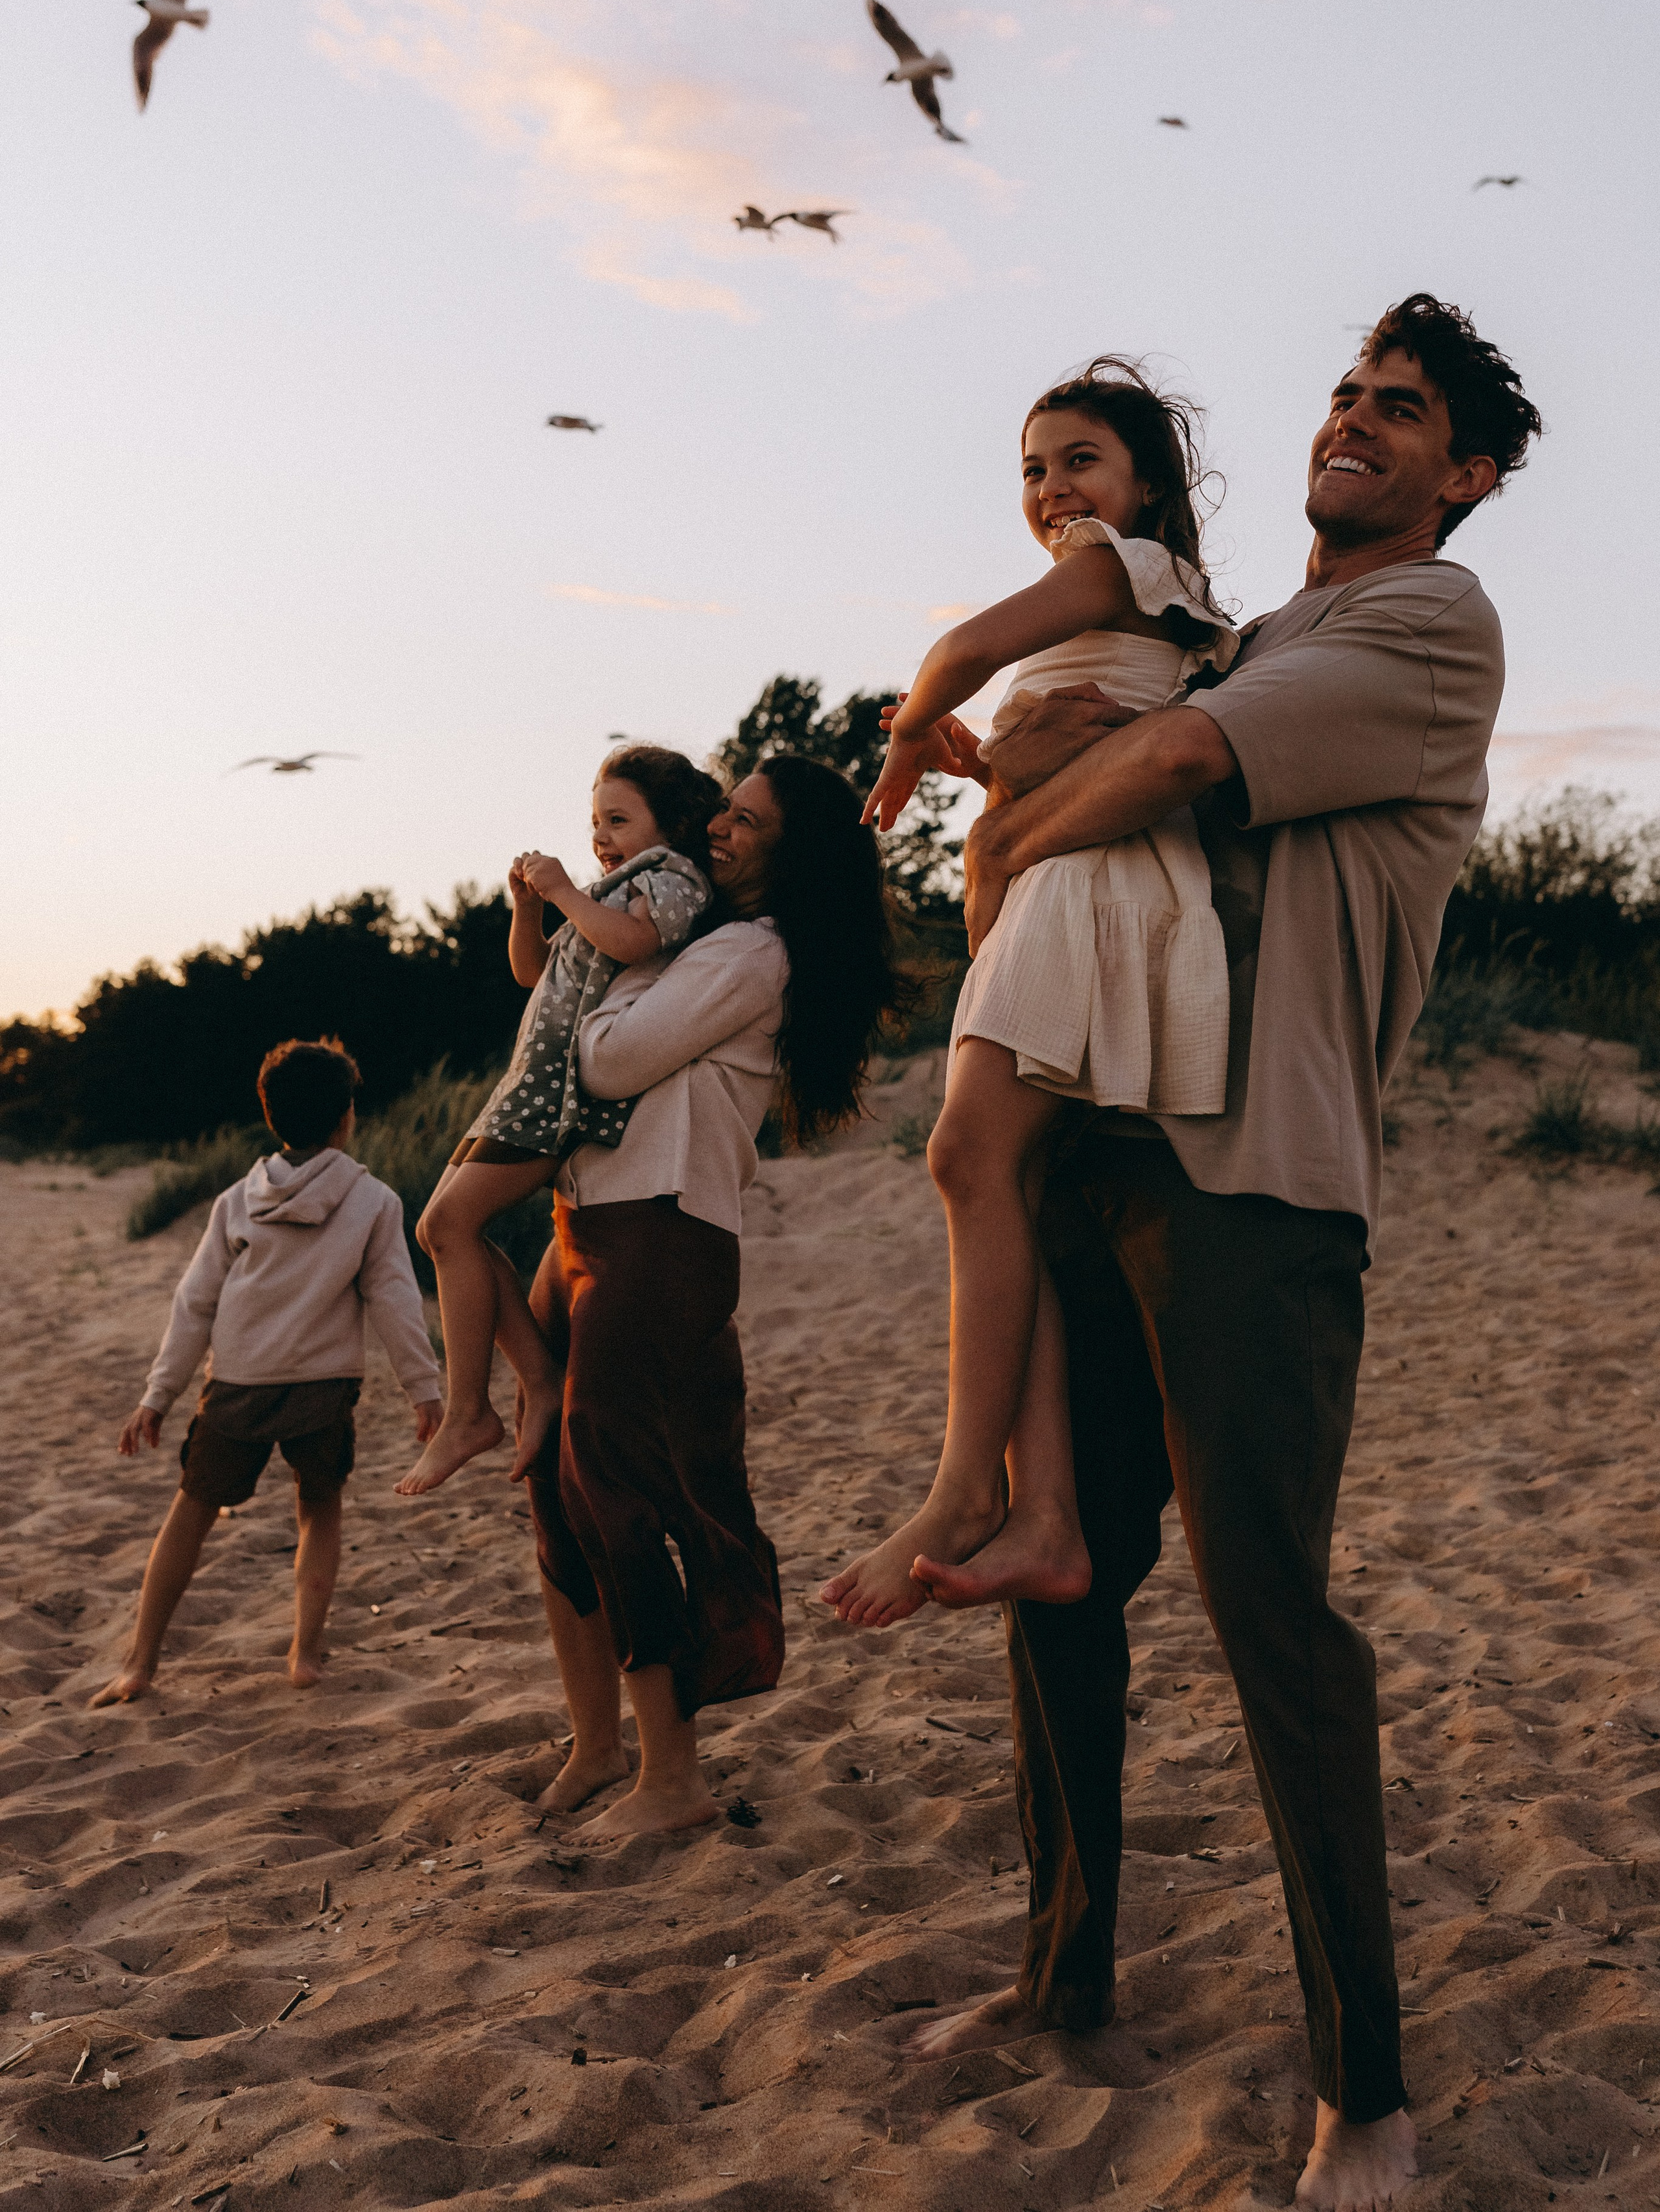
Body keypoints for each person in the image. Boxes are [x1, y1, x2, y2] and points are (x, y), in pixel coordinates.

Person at [895, 296, 1541, 2212]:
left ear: (1468, 471)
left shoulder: (1423, 627)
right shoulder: (1247, 632)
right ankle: (1061, 1975)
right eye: (1344, 393)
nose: (1353, 420)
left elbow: (1173, 772)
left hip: (1261, 1183)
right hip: (1107, 1152)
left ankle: (1369, 2102)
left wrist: (1028, 803)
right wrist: (1034, 772)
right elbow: (1101, 776)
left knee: (1274, 1622)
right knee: (1058, 1570)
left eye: (1399, 408)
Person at [824, 361, 1239, 1629]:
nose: (1051, 488)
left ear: (1144, 485)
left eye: (1077, 459)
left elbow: (960, 647)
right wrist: (971, 762)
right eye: (1031, 467)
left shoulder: (1120, 563)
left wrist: (904, 732)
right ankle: (1041, 1512)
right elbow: (1061, 728)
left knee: (963, 1158)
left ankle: (961, 1495)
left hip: (1086, 890)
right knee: (1015, 1191)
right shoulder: (1107, 603)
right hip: (1048, 888)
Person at [521, 757, 917, 1841]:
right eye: (725, 810)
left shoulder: (752, 952)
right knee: (551, 1476)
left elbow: (607, 1058)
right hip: (596, 1215)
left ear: (794, 852)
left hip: (662, 1222)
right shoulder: (696, 936)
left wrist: (593, 983)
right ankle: (600, 1744)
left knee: (618, 1481)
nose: (721, 828)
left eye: (747, 819)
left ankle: (672, 1776)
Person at [398, 746, 719, 1498]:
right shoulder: (609, 889)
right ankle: (535, 1382)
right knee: (441, 1230)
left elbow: (637, 943)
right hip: (524, 1088)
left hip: (560, 1095)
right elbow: (530, 971)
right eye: (595, 821)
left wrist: (570, 890)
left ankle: (472, 1412)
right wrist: (528, 907)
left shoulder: (671, 878)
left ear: (669, 822)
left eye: (618, 818)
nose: (602, 834)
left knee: (448, 1225)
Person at [92, 1038, 442, 1706]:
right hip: (323, 1387)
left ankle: (140, 1662)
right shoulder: (373, 1200)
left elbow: (194, 1304)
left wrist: (158, 1396)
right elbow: (394, 1299)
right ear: (347, 1117)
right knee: (319, 1510)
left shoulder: (236, 1201)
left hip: (238, 1385)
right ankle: (305, 1654)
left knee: (191, 1513)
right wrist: (422, 1388)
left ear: (270, 1114)